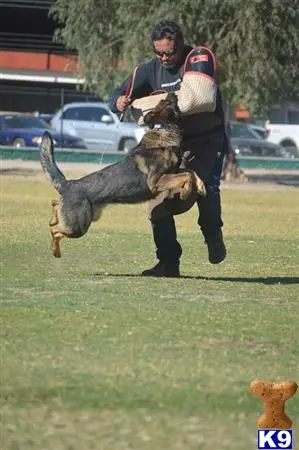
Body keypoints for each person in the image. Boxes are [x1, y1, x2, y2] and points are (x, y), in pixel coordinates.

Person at [109, 20, 228, 278]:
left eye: (169, 52)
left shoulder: (196, 61)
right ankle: (168, 263)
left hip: (206, 140)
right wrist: (118, 101)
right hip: (170, 145)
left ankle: (212, 234)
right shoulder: (149, 70)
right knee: (155, 202)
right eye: (158, 52)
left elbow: (205, 98)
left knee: (206, 189)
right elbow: (118, 93)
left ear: (181, 46)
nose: (164, 58)